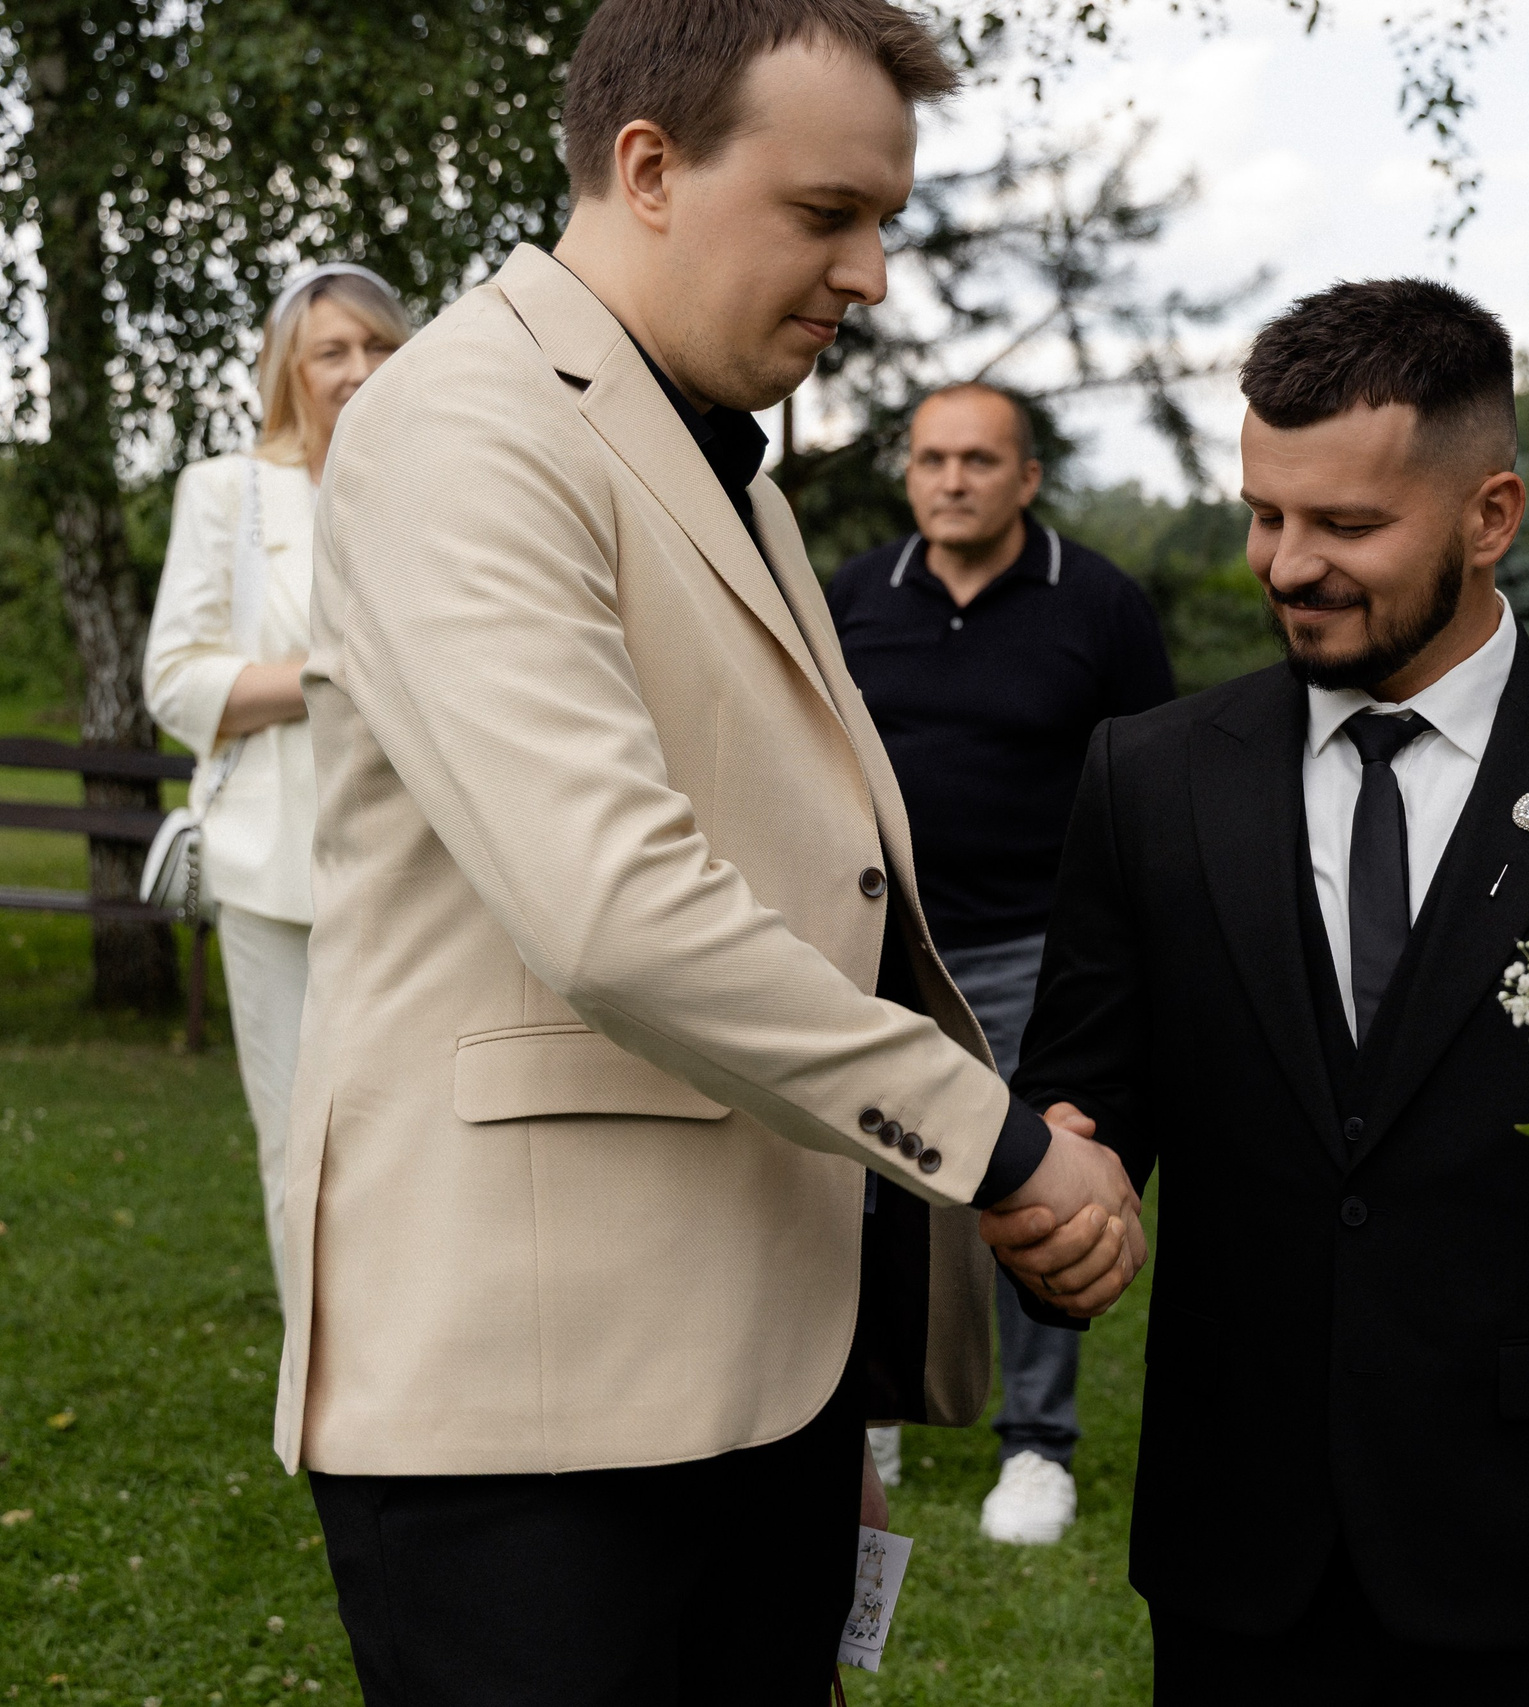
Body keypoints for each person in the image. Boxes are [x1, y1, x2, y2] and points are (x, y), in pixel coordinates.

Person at [276, 2, 1144, 1698]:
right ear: (649, 169)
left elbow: (811, 863)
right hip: (536, 1414)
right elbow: (616, 908)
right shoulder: (465, 423)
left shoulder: (709, 448)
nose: (876, 273)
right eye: (829, 215)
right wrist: (1003, 1148)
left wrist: (842, 1367)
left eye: (885, 218)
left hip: (749, 1371)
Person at [1005, 279, 1529, 1706]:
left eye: (1348, 526)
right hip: (1239, 1547)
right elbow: (1083, 1092)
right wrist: (1060, 1186)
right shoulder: (1148, 778)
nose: (1288, 563)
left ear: (1491, 515)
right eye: (1264, 513)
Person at [829, 381, 1175, 1544]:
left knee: (1033, 1183)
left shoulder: (1100, 607)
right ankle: (868, 1414)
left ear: (1026, 478)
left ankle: (1036, 1447)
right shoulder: (851, 601)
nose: (952, 479)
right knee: (864, 1191)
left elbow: (1149, 789)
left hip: (1038, 952)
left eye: (979, 459)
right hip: (878, 956)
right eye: (931, 458)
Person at [143, 264, 409, 1280]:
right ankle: (327, 1396)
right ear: (286, 370)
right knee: (305, 1146)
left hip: (419, 865)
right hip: (275, 868)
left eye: (379, 346)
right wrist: (331, 673)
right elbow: (175, 681)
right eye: (331, 351)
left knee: (416, 1142)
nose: (358, 370)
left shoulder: (428, 490)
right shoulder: (229, 492)